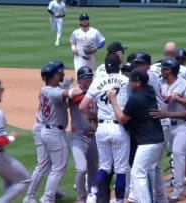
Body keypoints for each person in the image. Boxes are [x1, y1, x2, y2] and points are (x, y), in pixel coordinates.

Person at [107, 69, 165, 203]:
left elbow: (122, 118)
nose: (129, 83)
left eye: (131, 81)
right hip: (156, 139)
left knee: (138, 174)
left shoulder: (136, 99)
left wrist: (113, 100)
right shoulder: (149, 91)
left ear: (138, 83)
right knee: (143, 172)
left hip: (148, 142)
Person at [79, 53, 130, 203]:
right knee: (120, 169)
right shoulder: (126, 81)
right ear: (119, 66)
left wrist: (92, 117)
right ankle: (119, 201)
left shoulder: (97, 82)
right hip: (119, 128)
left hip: (101, 128)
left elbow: (82, 107)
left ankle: (92, 193)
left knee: (105, 166)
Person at [39, 60, 83, 202]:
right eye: (59, 73)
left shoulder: (44, 89)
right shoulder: (54, 93)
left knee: (51, 166)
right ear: (53, 76)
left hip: (46, 132)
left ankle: (49, 196)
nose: (62, 74)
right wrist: (90, 88)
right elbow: (72, 93)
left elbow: (61, 92)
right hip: (55, 133)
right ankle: (47, 199)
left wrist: (64, 86)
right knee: (58, 169)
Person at [159, 58, 186, 202]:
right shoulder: (161, 85)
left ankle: (177, 191)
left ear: (169, 71)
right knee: (184, 158)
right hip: (169, 125)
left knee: (177, 153)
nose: (161, 71)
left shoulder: (184, 84)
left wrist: (178, 99)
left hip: (184, 125)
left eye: (163, 68)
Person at [69, 66, 99, 203]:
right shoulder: (75, 93)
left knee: (93, 168)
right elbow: (71, 100)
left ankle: (92, 196)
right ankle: (81, 198)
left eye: (90, 77)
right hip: (78, 136)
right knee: (81, 169)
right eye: (86, 77)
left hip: (93, 135)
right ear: (80, 79)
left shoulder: (96, 91)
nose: (89, 79)